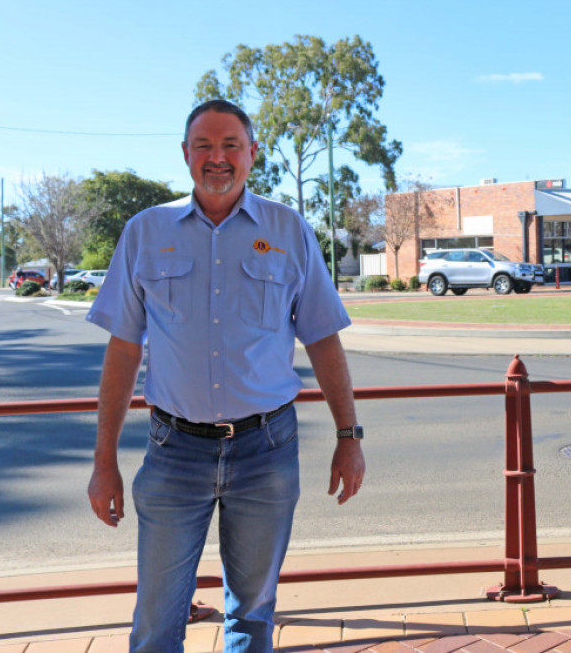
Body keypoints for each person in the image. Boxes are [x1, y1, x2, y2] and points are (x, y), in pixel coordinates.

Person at [86, 99, 366, 652]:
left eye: (231, 145)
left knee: (253, 616)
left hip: (267, 450)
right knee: (156, 622)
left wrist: (348, 437)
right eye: (205, 146)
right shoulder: (145, 232)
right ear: (186, 154)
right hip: (174, 452)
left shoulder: (289, 230)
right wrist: (103, 465)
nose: (218, 158)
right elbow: (122, 353)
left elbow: (324, 338)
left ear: (252, 153)